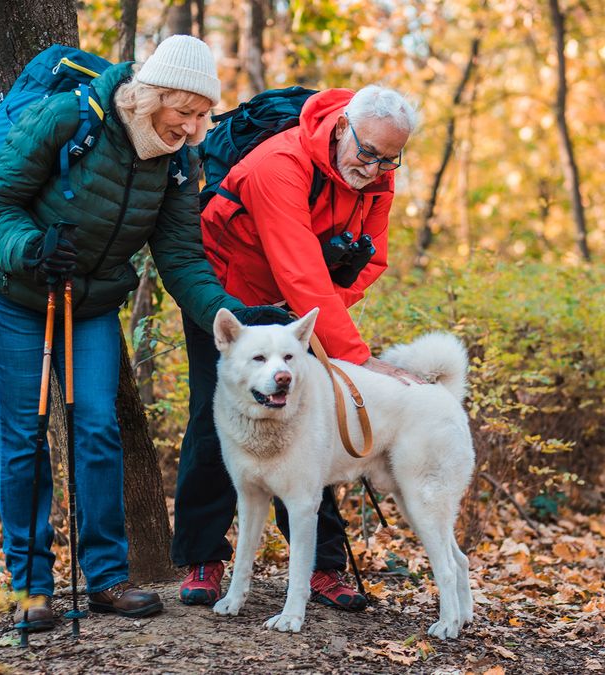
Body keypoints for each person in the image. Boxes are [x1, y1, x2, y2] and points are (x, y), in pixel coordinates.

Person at [0, 35, 252, 633]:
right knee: (23, 435)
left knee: (98, 426)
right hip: (16, 292)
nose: (196, 128)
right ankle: (30, 588)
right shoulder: (72, 118)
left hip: (90, 301)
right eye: (186, 112)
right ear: (154, 95)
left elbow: (181, 259)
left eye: (203, 115)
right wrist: (30, 249)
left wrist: (239, 322)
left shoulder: (179, 161)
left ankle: (106, 578)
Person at [172, 85, 421, 611]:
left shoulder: (378, 176)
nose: (375, 168)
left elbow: (372, 260)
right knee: (214, 415)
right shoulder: (279, 165)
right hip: (228, 292)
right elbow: (300, 269)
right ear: (341, 128)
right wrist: (357, 356)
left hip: (295, 303)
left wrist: (313, 318)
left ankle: (321, 569)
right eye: (368, 152)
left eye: (389, 158)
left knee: (305, 421)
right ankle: (203, 556)